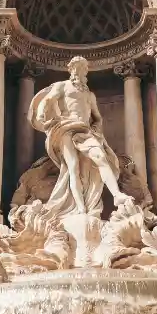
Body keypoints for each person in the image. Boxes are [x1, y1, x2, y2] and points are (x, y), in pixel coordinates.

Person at [28, 56, 133, 217]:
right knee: (73, 167)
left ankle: (117, 195)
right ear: (71, 70)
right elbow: (48, 100)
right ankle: (81, 209)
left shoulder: (90, 95)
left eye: (83, 68)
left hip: (85, 131)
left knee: (101, 157)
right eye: (77, 68)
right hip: (65, 129)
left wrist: (96, 129)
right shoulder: (62, 86)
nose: (80, 71)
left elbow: (97, 117)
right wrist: (44, 116)